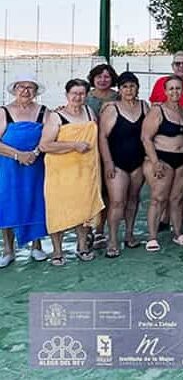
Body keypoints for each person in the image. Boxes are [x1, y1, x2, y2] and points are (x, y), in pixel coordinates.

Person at [40, 79, 104, 265]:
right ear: (67, 95)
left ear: (87, 95)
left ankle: (82, 247)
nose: (78, 97)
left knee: (84, 209)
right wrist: (74, 145)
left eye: (82, 93)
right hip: (60, 173)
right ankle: (57, 251)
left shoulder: (89, 112)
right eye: (74, 93)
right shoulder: (56, 117)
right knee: (57, 210)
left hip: (86, 171)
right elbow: (44, 145)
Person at [97, 72, 148, 258]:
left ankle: (129, 234)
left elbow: (149, 134)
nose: (129, 90)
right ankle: (112, 239)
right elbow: (102, 137)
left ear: (137, 88)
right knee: (117, 202)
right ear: (119, 90)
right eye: (125, 87)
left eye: (132, 86)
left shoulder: (144, 106)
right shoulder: (111, 108)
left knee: (133, 198)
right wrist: (108, 163)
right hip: (117, 162)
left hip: (138, 161)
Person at [0, 75, 49, 267]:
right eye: (22, 87)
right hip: (9, 167)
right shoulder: (4, 112)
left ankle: (36, 246)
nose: (26, 91)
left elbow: (50, 137)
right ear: (14, 90)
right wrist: (18, 155)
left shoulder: (44, 111)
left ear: (35, 92)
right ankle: (8, 250)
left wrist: (34, 153)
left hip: (36, 166)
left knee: (36, 201)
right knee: (8, 204)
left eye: (30, 88)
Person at [141, 75, 183, 252]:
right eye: (171, 88)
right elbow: (146, 138)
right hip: (163, 158)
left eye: (178, 88)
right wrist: (155, 161)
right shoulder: (157, 111)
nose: (174, 92)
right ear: (165, 91)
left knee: (177, 198)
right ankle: (152, 237)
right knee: (159, 198)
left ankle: (178, 233)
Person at [85, 63, 120, 249]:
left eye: (107, 76)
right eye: (99, 76)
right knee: (88, 190)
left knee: (106, 192)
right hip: (88, 150)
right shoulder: (84, 97)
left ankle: (99, 230)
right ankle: (87, 230)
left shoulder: (119, 97)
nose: (103, 80)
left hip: (112, 149)